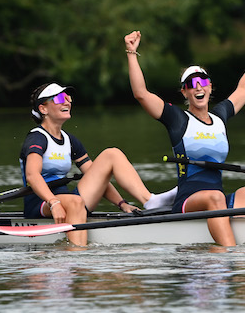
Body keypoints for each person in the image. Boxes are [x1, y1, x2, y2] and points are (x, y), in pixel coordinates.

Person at [124, 30, 245, 247]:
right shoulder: (177, 119)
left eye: (203, 80)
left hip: (219, 198)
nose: (198, 86)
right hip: (189, 200)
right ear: (184, 93)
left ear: (210, 87)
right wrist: (131, 52)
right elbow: (141, 93)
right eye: (191, 83)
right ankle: (230, 255)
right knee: (215, 197)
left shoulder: (220, 116)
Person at [21, 83, 176, 245]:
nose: (67, 102)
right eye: (60, 98)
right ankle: (76, 254)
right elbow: (32, 175)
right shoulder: (37, 138)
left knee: (112, 154)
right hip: (41, 203)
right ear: (43, 109)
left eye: (68, 98)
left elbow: (97, 177)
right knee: (76, 202)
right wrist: (54, 202)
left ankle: (149, 200)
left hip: (68, 200)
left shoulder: (70, 140)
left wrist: (122, 204)